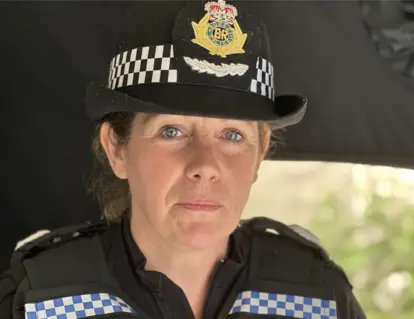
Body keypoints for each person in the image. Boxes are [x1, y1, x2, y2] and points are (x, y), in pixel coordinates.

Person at [0, 1, 367, 318]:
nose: (205, 165)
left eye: (233, 135)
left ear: (260, 152)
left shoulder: (319, 296)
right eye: (172, 131)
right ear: (117, 148)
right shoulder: (36, 298)